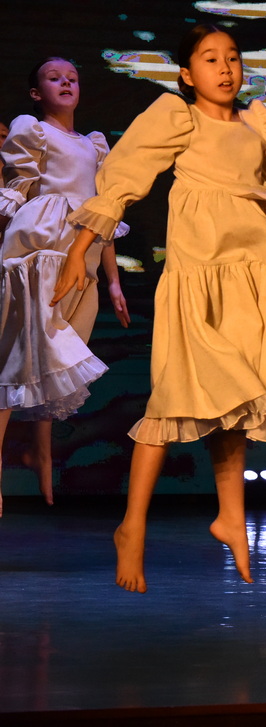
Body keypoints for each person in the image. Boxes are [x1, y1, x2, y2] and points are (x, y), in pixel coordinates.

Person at [52, 24, 266, 592]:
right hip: (199, 275)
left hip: (257, 275)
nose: (225, 69)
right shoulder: (179, 116)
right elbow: (123, 179)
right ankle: (132, 527)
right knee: (175, 396)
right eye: (210, 59)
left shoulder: (258, 123)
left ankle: (231, 516)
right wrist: (80, 249)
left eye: (233, 58)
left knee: (239, 397)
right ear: (185, 73)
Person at [0, 57, 128, 515]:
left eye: (72, 78)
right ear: (37, 93)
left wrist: (114, 282)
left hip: (82, 261)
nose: (66, 83)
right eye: (54, 79)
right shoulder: (33, 129)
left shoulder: (94, 144)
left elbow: (102, 218)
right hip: (43, 251)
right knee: (23, 354)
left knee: (48, 361)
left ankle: (40, 452)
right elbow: (16, 193)